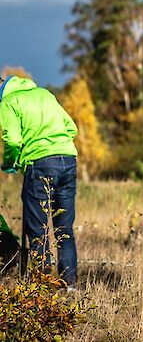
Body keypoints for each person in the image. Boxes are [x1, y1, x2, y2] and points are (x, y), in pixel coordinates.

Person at [0, 75, 79, 287]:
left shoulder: (8, 102)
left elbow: (12, 140)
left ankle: (42, 285)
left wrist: (10, 162)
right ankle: (70, 284)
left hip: (40, 163)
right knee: (64, 228)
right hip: (68, 160)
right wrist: (56, 142)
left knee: (38, 229)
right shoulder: (45, 94)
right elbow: (71, 128)